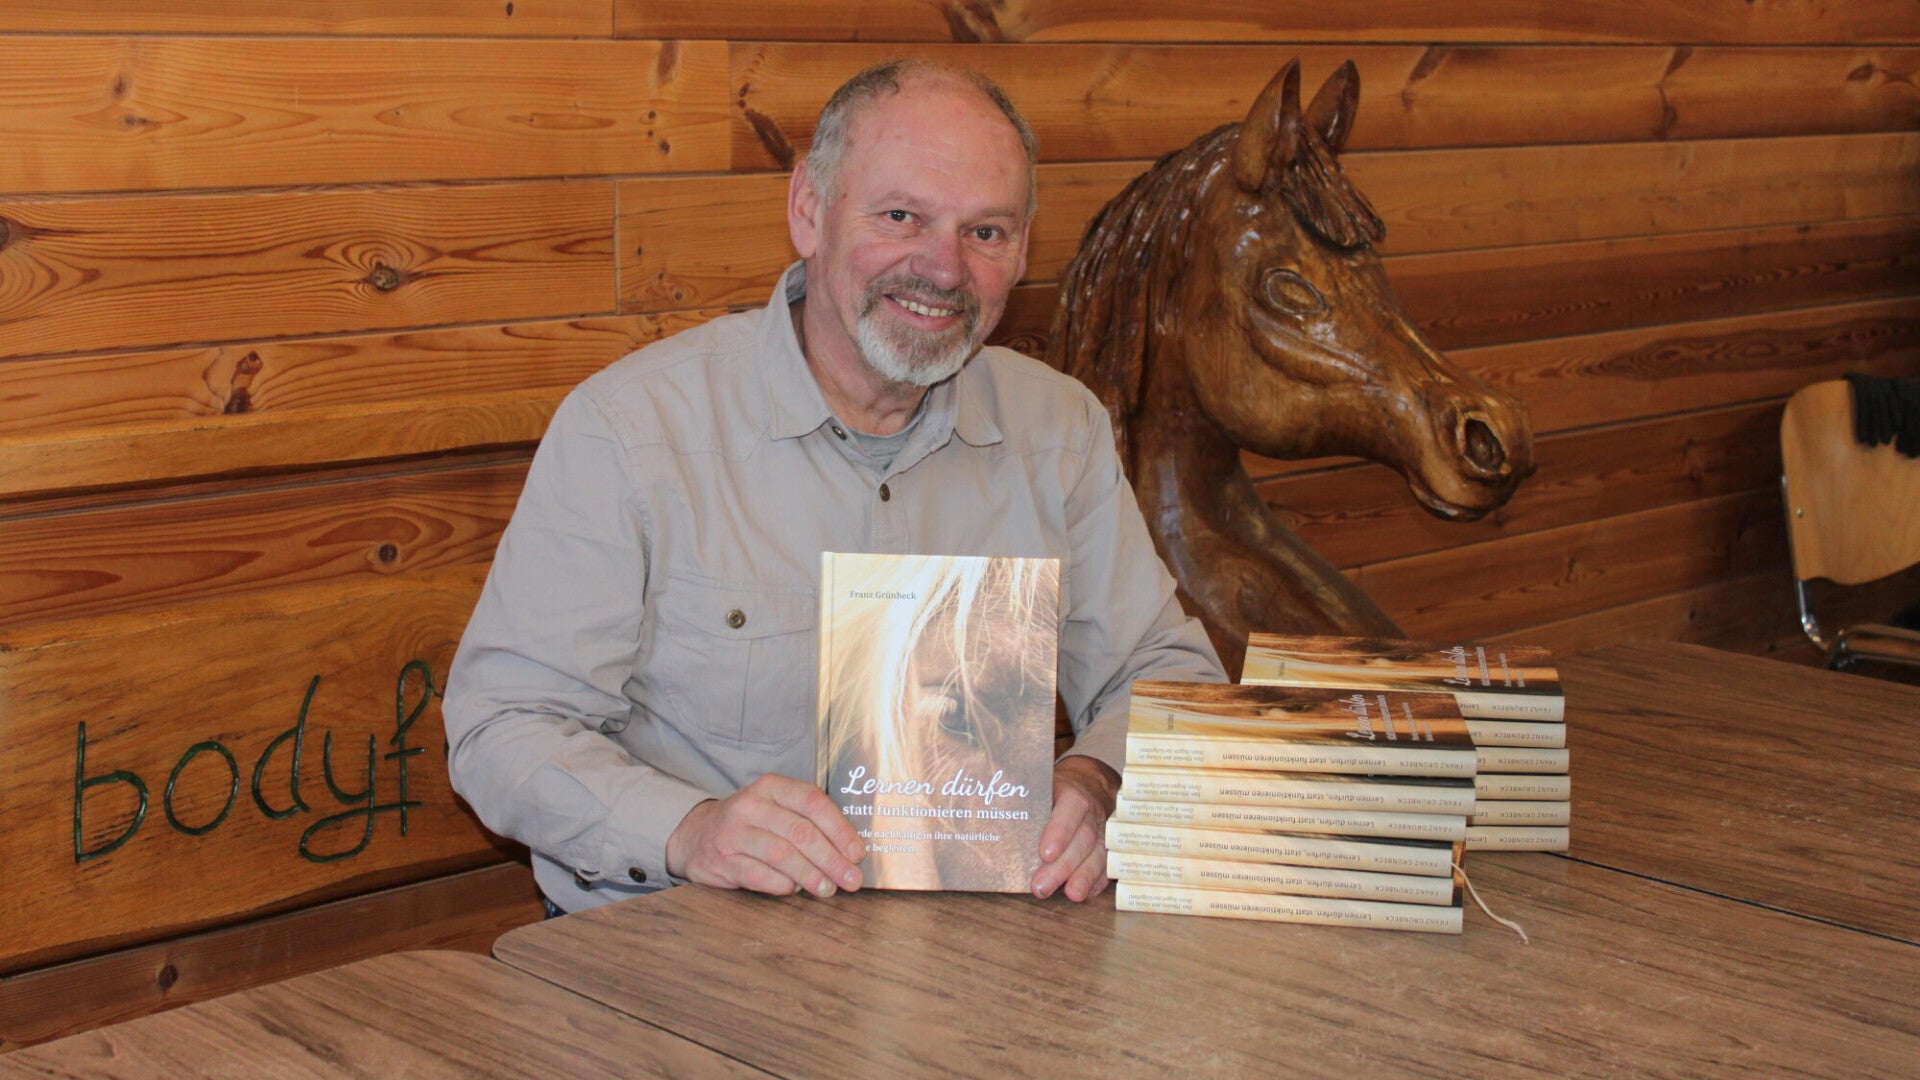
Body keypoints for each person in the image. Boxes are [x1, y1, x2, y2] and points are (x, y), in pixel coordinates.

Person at [443, 59, 1224, 914]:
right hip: (682, 962)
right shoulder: (631, 431)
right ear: (809, 212)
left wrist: (1097, 778)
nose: (943, 269)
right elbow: (501, 730)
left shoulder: (1058, 428)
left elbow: (1168, 672)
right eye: (902, 217)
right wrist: (690, 828)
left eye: (986, 233)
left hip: (974, 956)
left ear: (1025, 249)